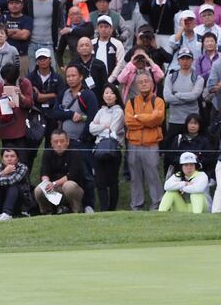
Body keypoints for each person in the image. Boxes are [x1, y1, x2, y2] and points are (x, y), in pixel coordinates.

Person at [48, 65, 98, 212]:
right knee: (68, 175)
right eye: (68, 76)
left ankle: (89, 205)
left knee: (86, 174)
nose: (70, 78)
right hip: (65, 143)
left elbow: (93, 117)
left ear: (81, 77)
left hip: (82, 142)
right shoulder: (64, 93)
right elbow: (55, 112)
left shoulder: (88, 94)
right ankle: (68, 205)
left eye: (73, 75)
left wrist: (83, 138)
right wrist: (70, 115)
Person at [125, 72, 165, 210]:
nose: (143, 83)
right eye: (140, 81)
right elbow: (129, 122)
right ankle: (136, 205)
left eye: (146, 81)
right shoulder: (130, 102)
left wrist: (138, 117)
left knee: (153, 176)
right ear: (136, 85)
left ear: (152, 83)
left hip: (151, 144)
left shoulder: (158, 101)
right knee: (135, 177)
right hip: (133, 144)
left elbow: (157, 119)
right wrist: (148, 119)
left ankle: (157, 204)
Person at [89, 84, 125, 212]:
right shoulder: (101, 111)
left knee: (112, 181)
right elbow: (91, 128)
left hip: (113, 149)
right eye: (106, 93)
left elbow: (113, 130)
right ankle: (104, 209)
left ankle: (112, 208)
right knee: (100, 181)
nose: (108, 95)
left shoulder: (119, 111)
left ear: (116, 96)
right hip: (99, 148)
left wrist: (101, 127)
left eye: (111, 93)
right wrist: (104, 127)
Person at [35, 130, 86, 214]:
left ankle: (75, 211)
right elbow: (44, 172)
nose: (59, 144)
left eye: (62, 141)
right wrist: (46, 183)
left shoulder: (74, 153)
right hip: (53, 189)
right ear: (51, 143)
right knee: (39, 190)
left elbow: (72, 175)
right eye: (56, 142)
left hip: (72, 189)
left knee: (69, 186)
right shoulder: (47, 153)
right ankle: (47, 212)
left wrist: (54, 183)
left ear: (67, 141)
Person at [0, 63, 34, 162]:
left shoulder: (25, 83)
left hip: (22, 131)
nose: (6, 83)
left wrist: (20, 95)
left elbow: (30, 104)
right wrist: (3, 101)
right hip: (6, 130)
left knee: (23, 161)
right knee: (8, 161)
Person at [163, 47, 205, 139]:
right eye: (182, 58)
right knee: (172, 150)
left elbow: (194, 96)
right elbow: (167, 98)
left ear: (192, 60)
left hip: (192, 121)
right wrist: (187, 97)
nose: (185, 61)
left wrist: (177, 94)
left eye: (188, 58)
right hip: (175, 120)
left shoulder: (198, 78)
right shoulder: (170, 77)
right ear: (178, 60)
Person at [27, 0, 62, 69]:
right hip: (32, 43)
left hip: (48, 43)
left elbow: (59, 23)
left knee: (52, 71)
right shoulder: (28, 3)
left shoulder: (55, 3)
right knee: (32, 73)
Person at [0, 148, 28, 221]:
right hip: (1, 201)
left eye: (12, 156)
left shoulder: (22, 167)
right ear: (2, 159)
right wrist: (3, 172)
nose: (9, 159)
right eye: (6, 156)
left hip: (19, 202)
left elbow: (11, 180)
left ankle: (7, 214)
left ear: (17, 159)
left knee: (13, 186)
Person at [0, 0, 33, 76]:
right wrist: (17, 30)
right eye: (11, 3)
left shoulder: (27, 19)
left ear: (22, 5)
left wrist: (6, 32)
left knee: (22, 80)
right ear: (8, 5)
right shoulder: (3, 18)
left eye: (17, 3)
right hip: (4, 55)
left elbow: (24, 36)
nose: (14, 5)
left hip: (22, 55)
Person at [92, 15, 125, 83]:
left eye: (106, 27)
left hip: (112, 82)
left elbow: (120, 64)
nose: (103, 29)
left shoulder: (117, 44)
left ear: (111, 29)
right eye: (101, 27)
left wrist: (110, 80)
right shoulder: (91, 43)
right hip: (93, 81)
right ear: (97, 29)